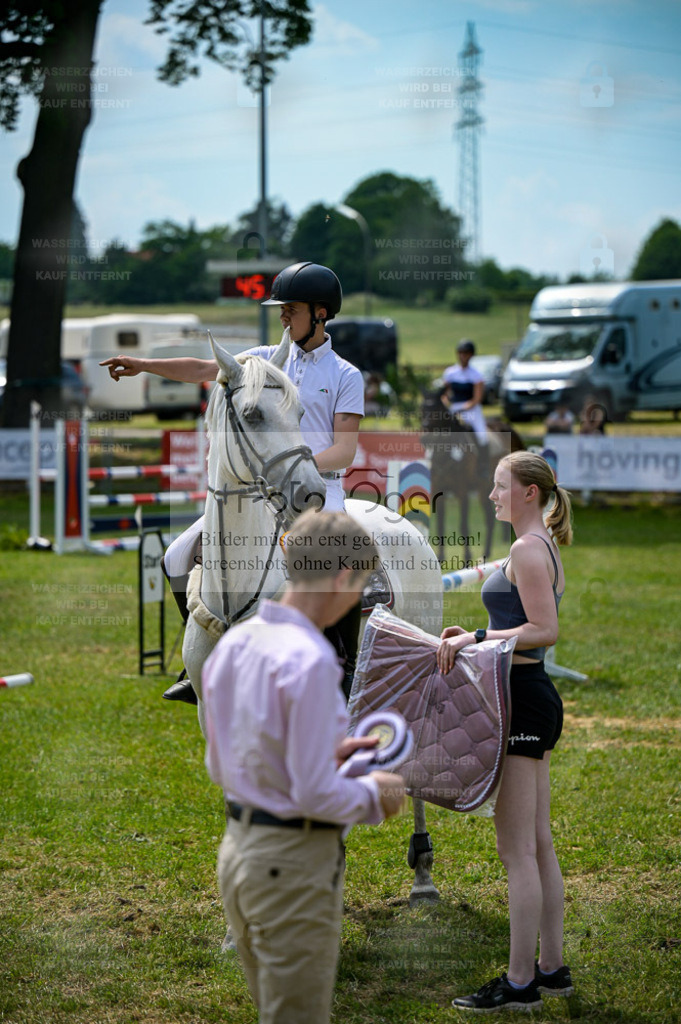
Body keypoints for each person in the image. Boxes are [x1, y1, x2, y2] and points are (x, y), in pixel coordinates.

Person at [100, 262, 365, 700]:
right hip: (260, 489)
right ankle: (198, 657)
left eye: (291, 309)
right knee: (176, 555)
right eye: (281, 309)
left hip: (317, 486)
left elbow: (344, 451)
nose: (283, 317)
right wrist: (142, 364)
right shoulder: (264, 358)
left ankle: (346, 663)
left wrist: (293, 467)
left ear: (321, 313)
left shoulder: (344, 375)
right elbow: (204, 368)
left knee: (335, 556)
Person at [202, 509, 405, 1024]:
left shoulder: (236, 642)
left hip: (238, 853)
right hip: (292, 864)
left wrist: (317, 754)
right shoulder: (312, 660)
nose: (357, 600)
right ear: (342, 578)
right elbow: (317, 795)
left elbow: (222, 759)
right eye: (359, 587)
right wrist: (377, 794)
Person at [437, 451, 574, 1013]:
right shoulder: (539, 546)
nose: (492, 496)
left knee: (515, 849)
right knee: (537, 844)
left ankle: (519, 985)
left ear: (529, 494)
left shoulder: (526, 548)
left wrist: (475, 639)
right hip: (528, 696)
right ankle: (552, 969)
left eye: (500, 487)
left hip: (525, 699)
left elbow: (545, 629)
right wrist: (478, 631)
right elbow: (520, 622)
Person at [440, 338, 489, 472]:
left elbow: (477, 398)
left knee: (482, 435)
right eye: (461, 353)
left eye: (466, 353)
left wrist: (462, 408)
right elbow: (444, 393)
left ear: (471, 355)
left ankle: (483, 465)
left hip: (471, 409)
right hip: (453, 408)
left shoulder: (476, 375)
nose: (463, 356)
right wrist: (445, 403)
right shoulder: (450, 373)